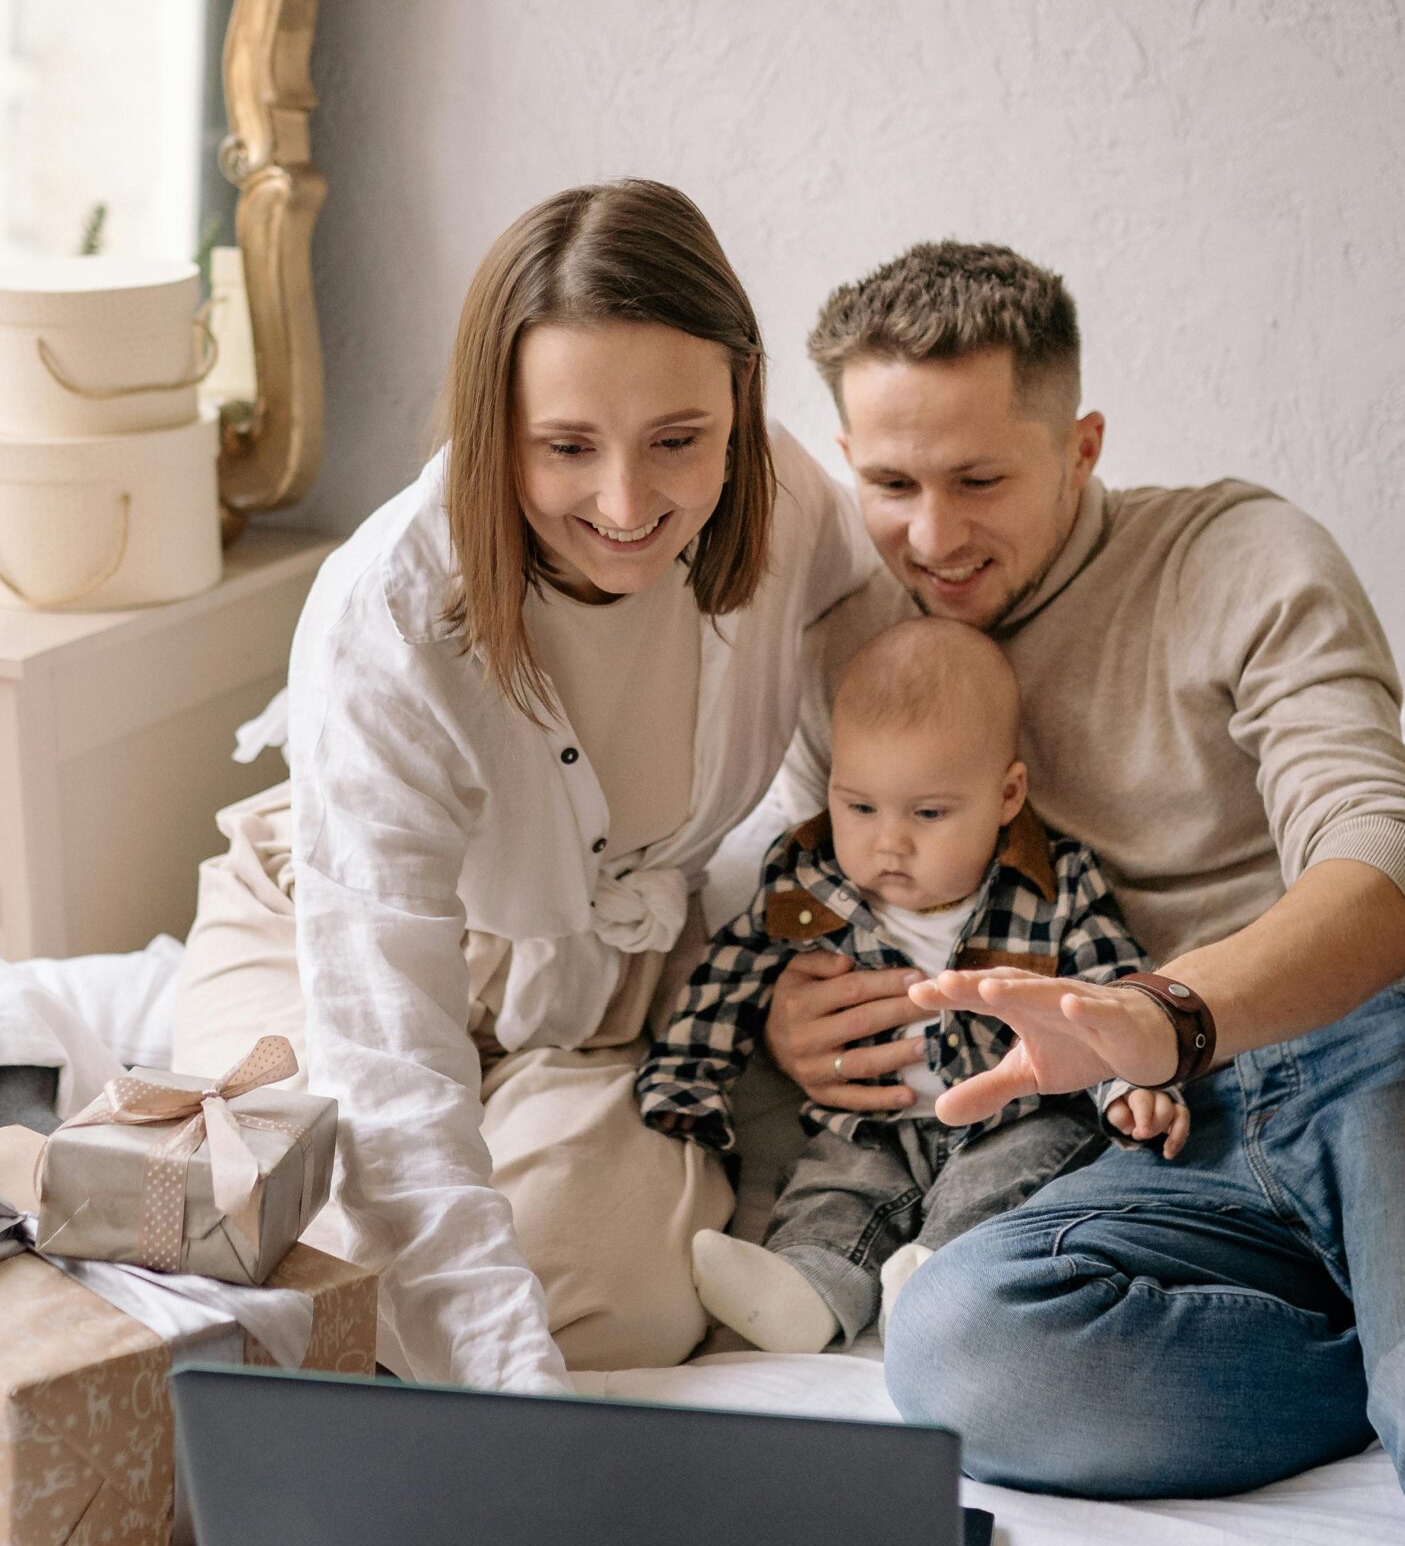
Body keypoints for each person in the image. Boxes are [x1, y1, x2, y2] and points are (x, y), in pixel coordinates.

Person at [762, 238, 1405, 1546]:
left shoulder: (1238, 555)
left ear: (1083, 444)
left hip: (1396, 1035)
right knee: (963, 1343)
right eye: (890, 482)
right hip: (1165, 1137)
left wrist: (1164, 1013)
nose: (930, 535)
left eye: (978, 478)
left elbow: (1392, 873)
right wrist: (788, 990)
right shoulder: (859, 639)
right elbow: (817, 876)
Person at [174, 180, 883, 1394]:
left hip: (605, 981)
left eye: (678, 439)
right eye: (566, 447)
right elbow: (385, 1056)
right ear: (494, 427)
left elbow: (879, 711)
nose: (626, 504)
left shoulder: (788, 507)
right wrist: (521, 1416)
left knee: (614, 1303)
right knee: (308, 1258)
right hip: (325, 940)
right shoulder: (388, 613)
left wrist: (829, 928)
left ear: (741, 400)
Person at [636, 616, 1187, 1351]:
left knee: (1004, 1185)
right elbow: (727, 980)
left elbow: (1108, 995)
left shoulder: (1055, 887)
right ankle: (806, 1290)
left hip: (1012, 1117)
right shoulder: (812, 883)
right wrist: (686, 1086)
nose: (887, 841)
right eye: (858, 807)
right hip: (874, 1122)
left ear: (1007, 795)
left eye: (928, 813)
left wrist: (1129, 1088)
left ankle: (937, 1288)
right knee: (831, 1187)